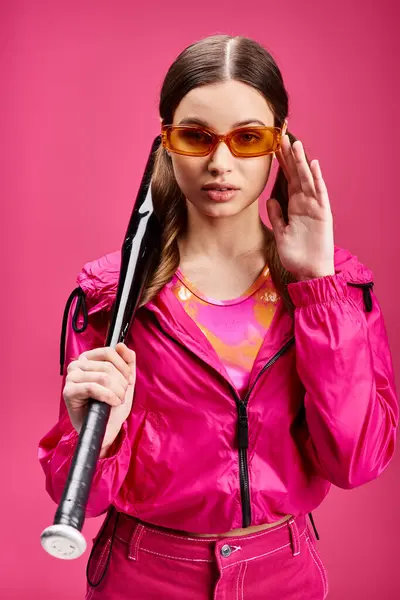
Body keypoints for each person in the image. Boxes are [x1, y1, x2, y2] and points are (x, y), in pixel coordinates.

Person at [38, 34, 398, 599]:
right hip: (144, 575)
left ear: (279, 144)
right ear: (167, 143)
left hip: (285, 574)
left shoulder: (337, 288)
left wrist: (316, 288)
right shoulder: (110, 296)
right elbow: (75, 492)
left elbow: (356, 461)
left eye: (248, 138)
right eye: (196, 137)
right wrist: (98, 438)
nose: (220, 163)